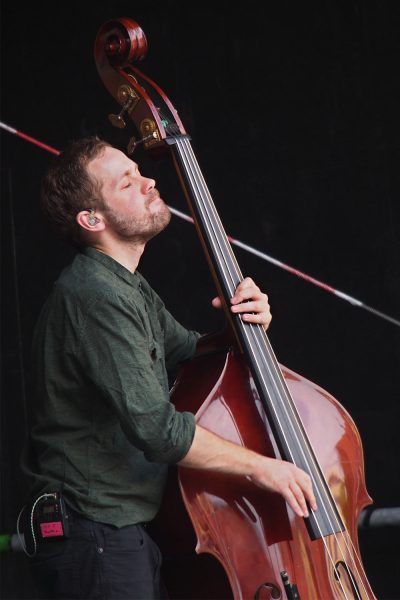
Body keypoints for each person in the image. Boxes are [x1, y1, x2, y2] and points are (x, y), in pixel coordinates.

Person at [20, 136, 317, 599]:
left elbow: (191, 354)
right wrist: (263, 469)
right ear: (92, 219)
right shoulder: (96, 295)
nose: (148, 181)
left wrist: (245, 326)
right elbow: (158, 430)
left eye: (140, 172)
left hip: (117, 531)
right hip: (93, 531)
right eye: (127, 182)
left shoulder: (125, 286)